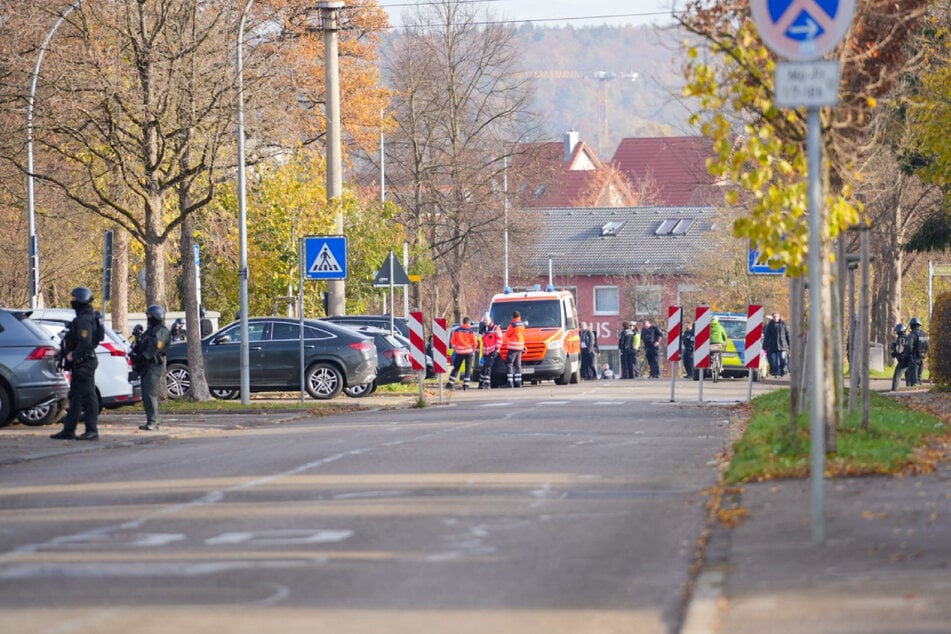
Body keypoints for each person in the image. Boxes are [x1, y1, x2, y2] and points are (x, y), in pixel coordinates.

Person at [50, 287, 102, 441]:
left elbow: (86, 343)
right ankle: (69, 430)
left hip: (83, 362)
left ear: (80, 299)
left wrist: (73, 355)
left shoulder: (84, 319)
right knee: (75, 397)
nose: (71, 301)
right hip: (82, 362)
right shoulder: (86, 317)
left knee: (88, 397)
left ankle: (92, 431)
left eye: (73, 298)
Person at [132, 304, 171, 431]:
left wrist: (143, 356)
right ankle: (151, 420)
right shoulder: (150, 331)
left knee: (150, 394)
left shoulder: (162, 331)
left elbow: (155, 347)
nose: (148, 318)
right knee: (146, 394)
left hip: (153, 365)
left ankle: (154, 421)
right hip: (145, 366)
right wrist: (137, 337)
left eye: (149, 315)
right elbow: (142, 345)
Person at [447, 317, 478, 391]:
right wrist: (473, 349)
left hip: (459, 352)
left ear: (463, 322)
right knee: (468, 369)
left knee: (456, 368)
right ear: (468, 323)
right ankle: (466, 385)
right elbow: (475, 343)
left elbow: (452, 342)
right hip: (469, 352)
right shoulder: (471, 332)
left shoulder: (457, 331)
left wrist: (456, 348)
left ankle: (450, 384)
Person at [503, 310, 526, 387]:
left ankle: (510, 382)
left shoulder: (512, 325)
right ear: (519, 316)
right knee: (518, 364)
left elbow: (507, 334)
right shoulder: (522, 324)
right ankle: (518, 382)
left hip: (513, 347)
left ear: (513, 316)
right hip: (520, 347)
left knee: (509, 363)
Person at [478, 316, 502, 389]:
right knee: (484, 367)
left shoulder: (495, 328)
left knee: (488, 366)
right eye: (484, 321)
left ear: (490, 321)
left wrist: (496, 348)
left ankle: (487, 383)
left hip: (493, 351)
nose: (485, 322)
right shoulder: (484, 329)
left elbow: (499, 339)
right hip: (486, 352)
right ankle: (481, 382)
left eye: (486, 321)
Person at [764, 312, 790, 377]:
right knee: (774, 360)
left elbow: (787, 335)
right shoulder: (770, 325)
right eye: (773, 317)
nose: (775, 318)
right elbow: (767, 336)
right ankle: (776, 372)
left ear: (779, 316)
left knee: (782, 358)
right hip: (773, 346)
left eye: (776, 316)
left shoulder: (783, 324)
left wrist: (790, 345)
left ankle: (783, 371)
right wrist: (764, 346)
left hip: (782, 345)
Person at [906, 317, 929, 387]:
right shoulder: (924, 334)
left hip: (914, 358)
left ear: (911, 325)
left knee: (914, 378)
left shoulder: (912, 335)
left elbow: (909, 346)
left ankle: (914, 392)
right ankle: (921, 390)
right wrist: (924, 354)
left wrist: (909, 355)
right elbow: (927, 346)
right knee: (919, 377)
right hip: (921, 358)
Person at [890, 322, 910, 391]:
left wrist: (894, 351)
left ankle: (894, 389)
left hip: (903, 360)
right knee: (908, 376)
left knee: (897, 375)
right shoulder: (908, 337)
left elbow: (899, 350)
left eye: (897, 331)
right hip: (909, 359)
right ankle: (910, 389)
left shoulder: (900, 339)